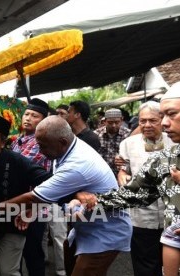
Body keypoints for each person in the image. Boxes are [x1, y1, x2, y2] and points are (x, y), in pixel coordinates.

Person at [74, 82, 180, 276]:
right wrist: (92, 201)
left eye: (171, 114)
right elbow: (134, 194)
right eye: (163, 116)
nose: (164, 123)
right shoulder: (167, 158)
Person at [5, 115, 132, 276]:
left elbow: (33, 197)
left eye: (43, 146)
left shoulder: (77, 164)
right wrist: (36, 208)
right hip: (86, 226)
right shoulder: (66, 149)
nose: (40, 151)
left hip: (105, 232)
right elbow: (55, 192)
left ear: (62, 142)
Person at [0, 112, 51, 276]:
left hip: (13, 223)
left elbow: (50, 182)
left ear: (2, 143)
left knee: (7, 271)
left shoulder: (17, 161)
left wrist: (33, 208)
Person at [115, 101, 173, 276]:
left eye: (152, 120)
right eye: (142, 121)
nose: (146, 125)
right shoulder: (128, 144)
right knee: (144, 266)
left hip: (171, 216)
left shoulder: (175, 140)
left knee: (172, 264)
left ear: (162, 120)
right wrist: (123, 178)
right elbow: (123, 170)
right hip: (141, 216)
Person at [12, 98, 66, 276]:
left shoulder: (39, 142)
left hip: (33, 207)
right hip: (15, 205)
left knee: (32, 253)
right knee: (14, 254)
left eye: (34, 116)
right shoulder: (17, 141)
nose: (27, 118)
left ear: (43, 121)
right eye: (26, 114)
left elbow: (20, 165)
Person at [94, 108, 131, 175]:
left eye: (117, 122)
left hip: (121, 175)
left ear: (121, 121)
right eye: (110, 123)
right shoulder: (96, 135)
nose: (113, 125)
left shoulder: (128, 135)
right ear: (105, 121)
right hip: (101, 174)